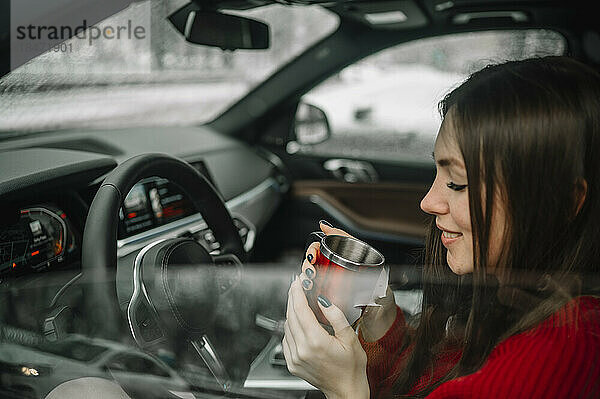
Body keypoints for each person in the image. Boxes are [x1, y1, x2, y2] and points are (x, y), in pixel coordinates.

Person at [282, 56, 600, 399]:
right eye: (437, 173)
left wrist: (343, 388)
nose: (428, 202)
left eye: (458, 183)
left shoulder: (559, 354)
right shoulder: (516, 298)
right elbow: (433, 381)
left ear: (562, 203)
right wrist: (381, 319)